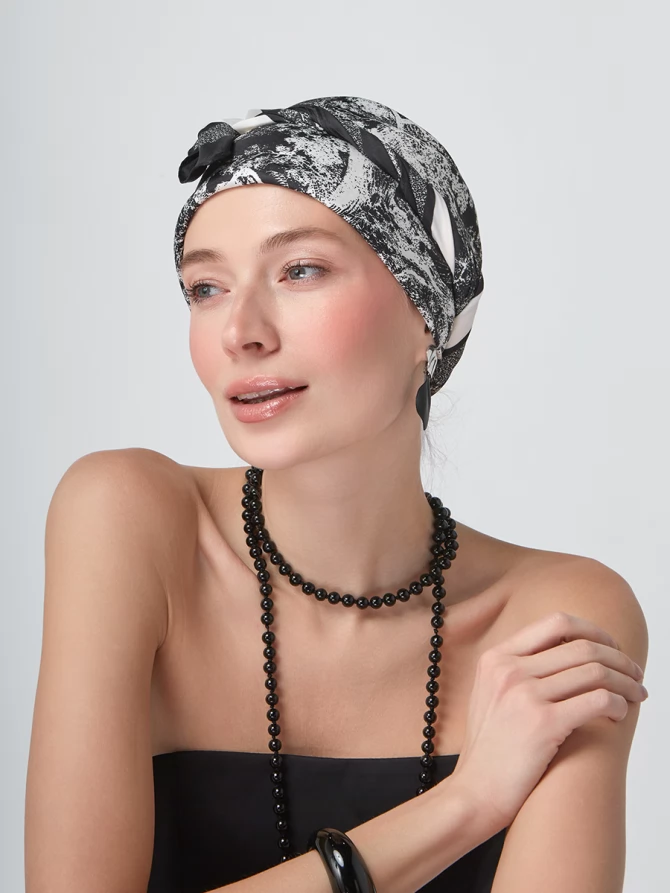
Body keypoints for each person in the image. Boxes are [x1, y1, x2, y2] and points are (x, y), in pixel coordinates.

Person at [25, 97, 649, 893]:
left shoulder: (555, 618)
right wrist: (467, 803)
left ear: (427, 313)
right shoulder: (128, 520)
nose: (240, 332)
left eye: (301, 270)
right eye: (206, 286)